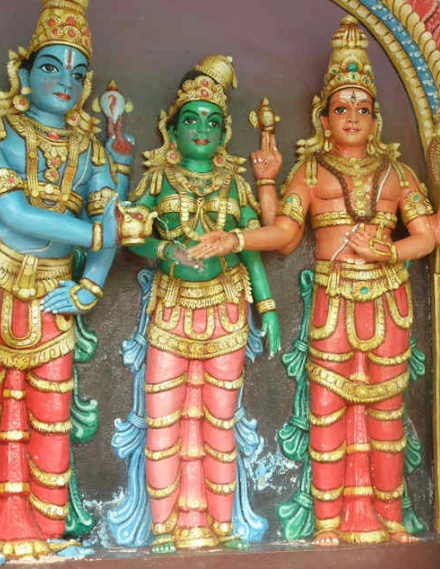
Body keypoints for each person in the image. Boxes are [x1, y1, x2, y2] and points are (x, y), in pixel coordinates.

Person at [192, 16, 440, 546]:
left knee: (388, 408)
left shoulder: (396, 174)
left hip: (387, 300)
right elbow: (284, 234)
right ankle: (327, 519)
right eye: (341, 108)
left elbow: (432, 235)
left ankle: (389, 517)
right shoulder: (313, 172)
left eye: (363, 109)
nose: (352, 117)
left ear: (377, 119)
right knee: (326, 406)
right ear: (323, 117)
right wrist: (236, 236)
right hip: (333, 300)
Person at [0, 1, 141, 567]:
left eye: (78, 73)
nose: (66, 82)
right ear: (24, 73)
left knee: (47, 415)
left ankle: (34, 528)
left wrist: (91, 286)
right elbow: (12, 211)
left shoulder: (90, 149)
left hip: (54, 292)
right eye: (52, 67)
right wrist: (95, 234)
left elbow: (114, 222)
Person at [127, 54, 281, 553]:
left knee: (219, 421)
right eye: (190, 119)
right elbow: (131, 237)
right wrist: (162, 249)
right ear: (171, 129)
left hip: (227, 310)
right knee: (165, 420)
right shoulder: (157, 181)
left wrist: (270, 309)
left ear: (225, 133)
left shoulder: (235, 184)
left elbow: (253, 250)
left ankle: (221, 523)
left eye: (213, 122)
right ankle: (163, 525)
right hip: (171, 308)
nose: (202, 129)